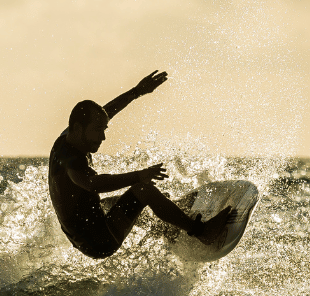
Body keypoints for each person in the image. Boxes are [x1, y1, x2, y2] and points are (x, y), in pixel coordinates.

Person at [48, 70, 233, 259]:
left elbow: (107, 112)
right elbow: (93, 184)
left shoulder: (66, 138)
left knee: (117, 203)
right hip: (99, 240)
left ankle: (168, 226)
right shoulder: (71, 160)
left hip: (83, 233)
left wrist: (136, 92)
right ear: (78, 128)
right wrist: (139, 176)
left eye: (104, 129)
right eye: (98, 130)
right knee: (144, 190)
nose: (103, 137)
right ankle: (201, 231)